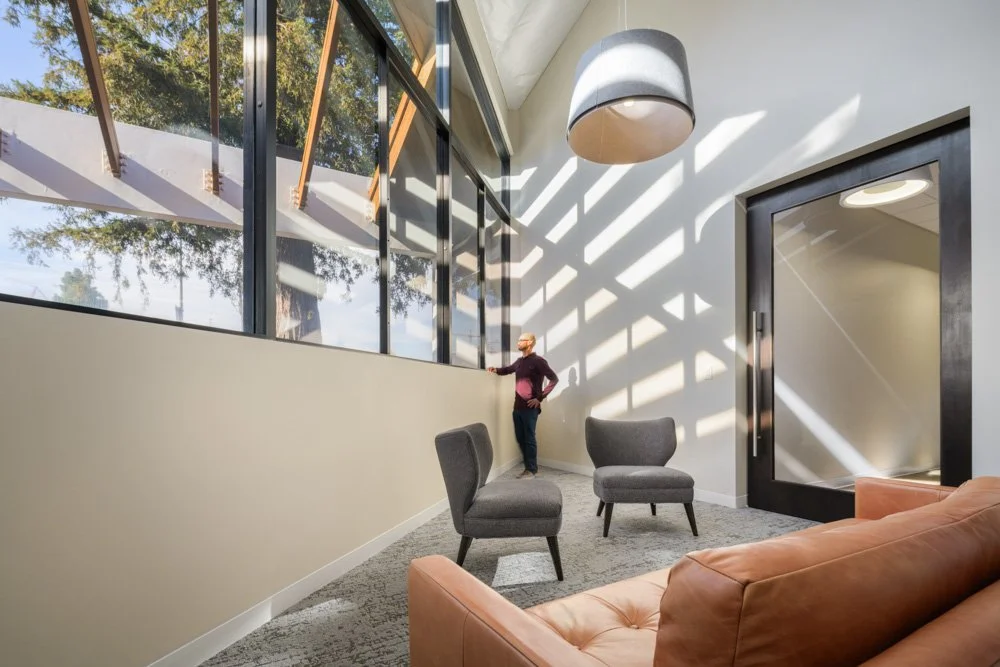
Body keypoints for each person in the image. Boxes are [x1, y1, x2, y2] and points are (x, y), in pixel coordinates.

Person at [488, 333, 559, 479]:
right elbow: (508, 369)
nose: (518, 342)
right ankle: (529, 467)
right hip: (517, 407)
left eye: (521, 340)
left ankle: (531, 470)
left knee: (529, 438)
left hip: (530, 408)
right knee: (520, 438)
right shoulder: (520, 361)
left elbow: (554, 379)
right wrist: (495, 369)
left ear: (530, 342)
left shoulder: (538, 361)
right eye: (518, 340)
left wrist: (539, 398)